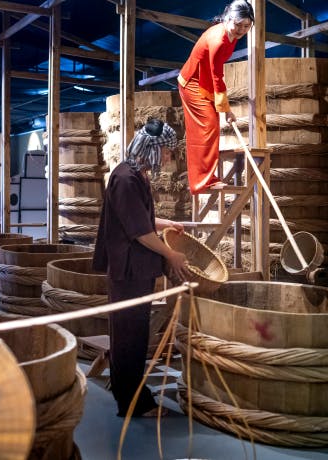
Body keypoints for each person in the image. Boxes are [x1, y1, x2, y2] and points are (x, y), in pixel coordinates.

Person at [92, 118, 191, 417]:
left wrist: (166, 223)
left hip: (137, 270)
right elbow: (138, 232)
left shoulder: (136, 175)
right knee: (129, 336)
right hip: (129, 270)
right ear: (152, 148)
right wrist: (171, 255)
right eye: (167, 152)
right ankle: (133, 402)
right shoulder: (126, 178)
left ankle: (126, 389)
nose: (169, 157)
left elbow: (140, 220)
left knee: (131, 333)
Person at [178, 0, 254, 194]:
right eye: (238, 25)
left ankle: (207, 178)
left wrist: (224, 109)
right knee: (208, 127)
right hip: (192, 83)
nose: (242, 30)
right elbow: (217, 76)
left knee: (210, 126)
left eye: (246, 26)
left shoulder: (230, 34)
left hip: (203, 82)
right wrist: (226, 110)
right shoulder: (219, 40)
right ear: (228, 19)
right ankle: (203, 181)